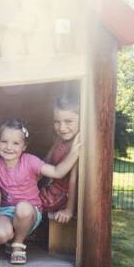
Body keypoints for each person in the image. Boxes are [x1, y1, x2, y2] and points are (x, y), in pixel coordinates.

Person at [0, 118, 80, 264]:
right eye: (4, 141)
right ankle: (10, 239)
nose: (8, 147)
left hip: (30, 212)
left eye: (16, 143)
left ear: (24, 146)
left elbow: (58, 172)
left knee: (23, 208)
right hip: (5, 211)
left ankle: (18, 245)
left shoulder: (30, 161)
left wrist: (74, 153)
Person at [39, 91, 80, 223]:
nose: (62, 128)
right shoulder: (59, 139)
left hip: (62, 196)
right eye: (57, 122)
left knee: (27, 201)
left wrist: (69, 210)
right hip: (50, 188)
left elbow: (73, 181)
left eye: (68, 121)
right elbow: (45, 162)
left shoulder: (77, 145)